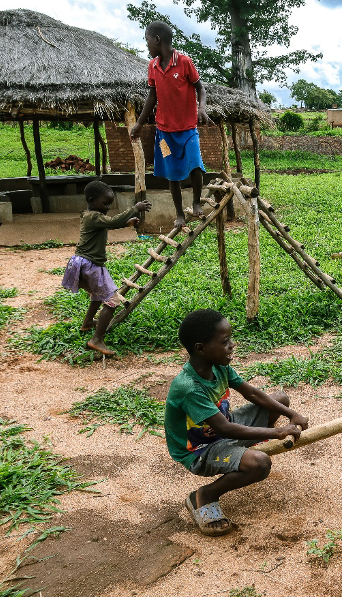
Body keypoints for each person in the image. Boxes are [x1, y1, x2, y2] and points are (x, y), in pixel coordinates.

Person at [165, 308, 307, 536]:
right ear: (201, 348)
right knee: (260, 464)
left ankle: (239, 453)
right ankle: (206, 495)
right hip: (200, 450)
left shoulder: (219, 367)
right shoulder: (189, 388)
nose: (232, 345)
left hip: (224, 428)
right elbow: (224, 428)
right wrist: (278, 431)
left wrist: (291, 413)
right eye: (225, 341)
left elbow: (252, 393)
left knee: (280, 399)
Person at [129, 20, 212, 229]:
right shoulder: (153, 66)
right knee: (171, 172)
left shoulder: (184, 62)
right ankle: (179, 214)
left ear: (157, 39)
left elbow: (200, 88)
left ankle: (195, 202)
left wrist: (201, 108)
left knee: (195, 165)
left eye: (147, 40)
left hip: (188, 130)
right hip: (164, 133)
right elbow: (152, 96)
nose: (146, 45)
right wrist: (139, 123)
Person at [62, 180, 150, 357]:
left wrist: (126, 224)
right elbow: (112, 221)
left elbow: (110, 222)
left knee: (97, 295)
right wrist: (135, 208)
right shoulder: (94, 216)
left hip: (84, 263)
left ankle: (87, 322)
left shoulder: (90, 215)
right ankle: (96, 339)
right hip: (90, 265)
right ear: (92, 200)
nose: (108, 207)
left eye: (110, 204)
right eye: (105, 203)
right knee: (112, 300)